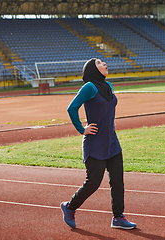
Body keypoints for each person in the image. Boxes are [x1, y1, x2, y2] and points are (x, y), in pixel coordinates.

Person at [61, 58, 136, 230]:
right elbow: (72, 108)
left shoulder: (108, 86)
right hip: (95, 143)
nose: (104, 64)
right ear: (92, 69)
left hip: (112, 142)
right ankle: (70, 207)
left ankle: (118, 217)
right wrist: (82, 128)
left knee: (118, 182)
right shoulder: (89, 87)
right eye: (100, 63)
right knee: (93, 182)